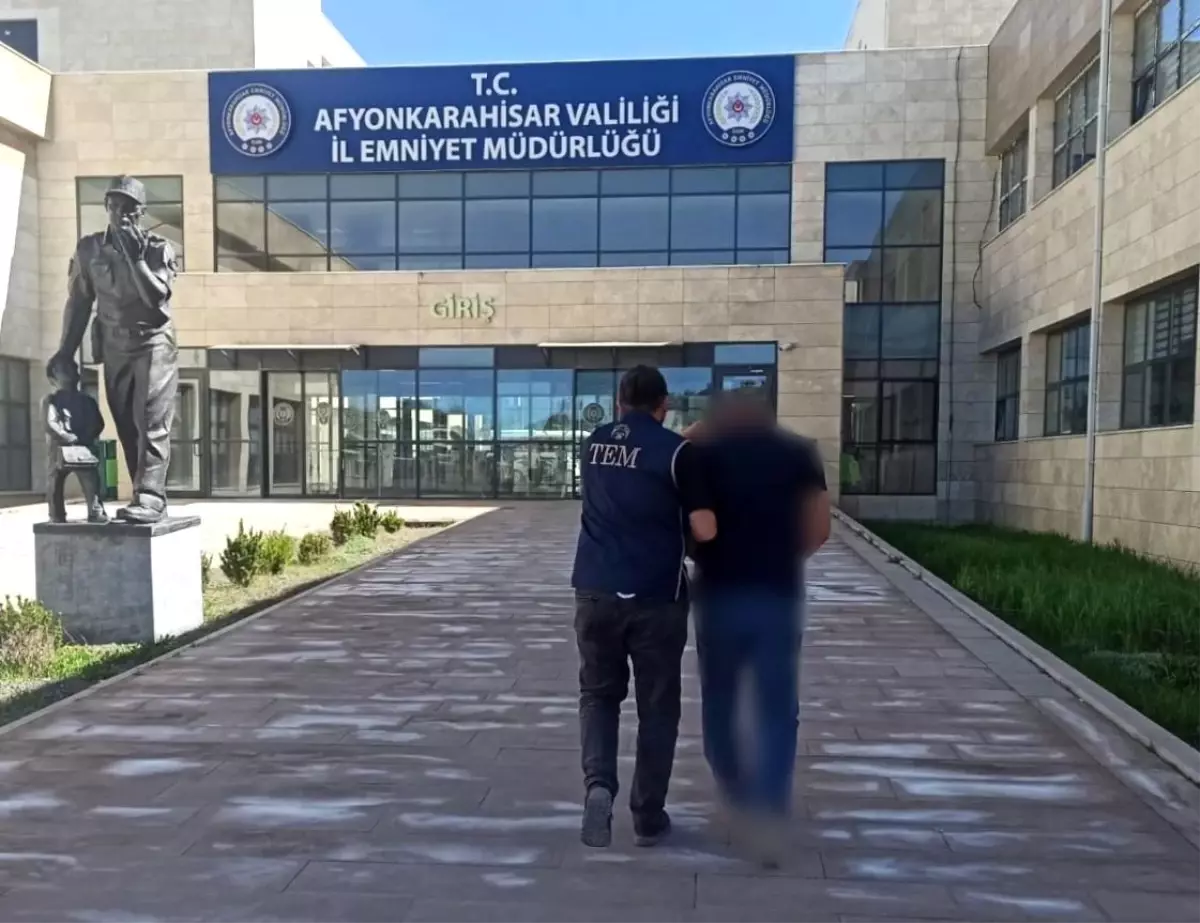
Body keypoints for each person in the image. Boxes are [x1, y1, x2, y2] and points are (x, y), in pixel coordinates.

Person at [571, 365, 717, 849]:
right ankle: (647, 816)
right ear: (664, 405)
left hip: (595, 590)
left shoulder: (593, 444)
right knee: (657, 708)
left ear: (618, 403)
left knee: (598, 696)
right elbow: (705, 529)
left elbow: (635, 457)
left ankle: (599, 786)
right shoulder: (679, 455)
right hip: (655, 596)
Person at [688, 390, 830, 867]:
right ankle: (769, 809)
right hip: (777, 595)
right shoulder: (797, 453)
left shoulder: (704, 455)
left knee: (720, 703)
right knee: (777, 709)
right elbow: (820, 528)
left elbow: (688, 520)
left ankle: (738, 795)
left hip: (719, 596)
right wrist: (780, 561)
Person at [47, 175, 180, 524]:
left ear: (141, 212)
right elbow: (79, 303)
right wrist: (65, 350)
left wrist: (136, 260)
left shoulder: (157, 248)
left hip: (153, 341)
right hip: (115, 346)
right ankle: (144, 495)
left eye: (129, 208)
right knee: (127, 425)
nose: (121, 213)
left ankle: (150, 496)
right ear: (106, 207)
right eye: (114, 205)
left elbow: (157, 302)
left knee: (150, 419)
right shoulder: (89, 249)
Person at [43, 355, 108, 525]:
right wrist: (67, 436)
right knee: (55, 483)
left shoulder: (87, 400)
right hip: (59, 449)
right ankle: (56, 513)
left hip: (83, 448)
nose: (69, 374)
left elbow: (97, 422)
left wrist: (85, 436)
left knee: (91, 480)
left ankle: (95, 511)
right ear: (52, 377)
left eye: (72, 369)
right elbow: (50, 423)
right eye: (63, 370)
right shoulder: (51, 400)